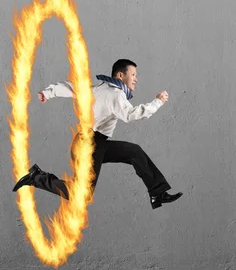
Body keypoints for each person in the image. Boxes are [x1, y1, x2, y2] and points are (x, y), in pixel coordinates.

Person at [12, 59, 182, 209]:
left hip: (90, 143)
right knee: (82, 196)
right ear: (121, 75)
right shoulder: (115, 94)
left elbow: (72, 87)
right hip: (90, 146)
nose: (136, 78)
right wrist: (158, 101)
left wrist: (48, 93)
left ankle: (157, 193)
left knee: (134, 152)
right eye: (133, 74)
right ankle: (37, 177)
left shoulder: (100, 88)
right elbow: (131, 115)